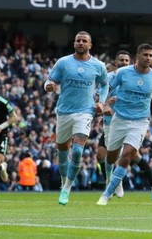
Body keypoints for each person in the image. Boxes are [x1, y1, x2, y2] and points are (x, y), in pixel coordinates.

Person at [45, 31, 108, 205]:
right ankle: (64, 181)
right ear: (74, 44)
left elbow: (104, 86)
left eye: (84, 41)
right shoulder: (63, 62)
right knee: (63, 152)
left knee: (78, 151)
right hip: (64, 111)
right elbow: (49, 80)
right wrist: (48, 86)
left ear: (90, 45)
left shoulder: (99, 65)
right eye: (78, 40)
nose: (81, 43)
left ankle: (67, 188)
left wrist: (101, 102)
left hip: (85, 112)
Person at [97, 43, 152, 206]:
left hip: (140, 122)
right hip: (119, 120)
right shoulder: (122, 73)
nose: (148, 58)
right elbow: (107, 87)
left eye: (151, 55)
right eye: (145, 55)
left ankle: (106, 194)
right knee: (111, 157)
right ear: (137, 56)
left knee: (127, 154)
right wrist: (105, 105)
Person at [96, 50, 130, 197]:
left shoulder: (133, 78)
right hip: (110, 121)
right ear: (116, 62)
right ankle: (112, 182)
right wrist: (106, 105)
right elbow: (99, 99)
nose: (124, 63)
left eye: (126, 61)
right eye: (121, 60)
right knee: (110, 155)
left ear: (130, 62)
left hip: (128, 121)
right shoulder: (108, 78)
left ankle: (116, 182)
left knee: (121, 155)